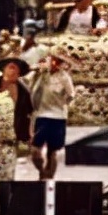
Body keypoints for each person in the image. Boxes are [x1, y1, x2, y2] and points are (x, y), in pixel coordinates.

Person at [29, 51, 76, 180]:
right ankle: (41, 170)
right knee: (35, 150)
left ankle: (49, 177)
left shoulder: (64, 77)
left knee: (52, 151)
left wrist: (63, 102)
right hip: (42, 115)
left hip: (58, 117)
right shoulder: (42, 74)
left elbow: (71, 95)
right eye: (53, 60)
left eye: (57, 62)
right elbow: (29, 82)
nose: (54, 63)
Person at [0, 58, 34, 153]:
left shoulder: (24, 92)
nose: (13, 67)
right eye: (10, 66)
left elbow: (29, 115)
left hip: (16, 134)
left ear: (19, 73)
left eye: (16, 67)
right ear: (3, 69)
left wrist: (30, 135)